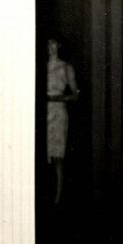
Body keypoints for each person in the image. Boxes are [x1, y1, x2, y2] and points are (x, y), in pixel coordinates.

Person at [46, 35, 79, 205]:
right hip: (44, 113)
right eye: (48, 44)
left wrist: (57, 98)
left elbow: (75, 95)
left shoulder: (66, 67)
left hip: (58, 113)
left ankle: (57, 199)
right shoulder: (41, 66)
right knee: (45, 154)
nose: (51, 47)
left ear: (58, 45)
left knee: (58, 158)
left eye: (53, 44)